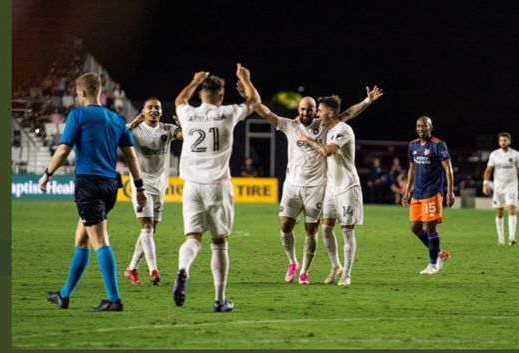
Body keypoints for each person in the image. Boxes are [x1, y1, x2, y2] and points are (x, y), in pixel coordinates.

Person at [250, 85, 382, 285]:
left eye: (312, 110)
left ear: (317, 113)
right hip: (296, 185)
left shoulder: (326, 126)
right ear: (298, 110)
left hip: (321, 186)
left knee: (316, 230)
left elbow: (347, 114)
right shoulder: (291, 125)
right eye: (302, 109)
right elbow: (267, 113)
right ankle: (296, 263)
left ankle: (309, 271)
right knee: (291, 226)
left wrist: (368, 101)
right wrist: (251, 98)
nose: (307, 112)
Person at [39, 72, 147, 312]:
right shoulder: (116, 119)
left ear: (82, 93)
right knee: (81, 239)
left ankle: (114, 299)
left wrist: (47, 174)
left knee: (100, 241)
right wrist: (139, 188)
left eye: (77, 93)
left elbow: (64, 149)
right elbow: (130, 156)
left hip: (89, 185)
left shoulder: (78, 115)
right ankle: (64, 295)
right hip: (111, 187)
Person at [172, 64, 259, 312]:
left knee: (192, 238)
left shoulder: (188, 114)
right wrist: (245, 78)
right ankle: (220, 301)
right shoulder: (228, 113)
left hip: (191, 186)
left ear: (201, 95)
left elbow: (179, 99)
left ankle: (183, 269)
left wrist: (194, 80)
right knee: (219, 243)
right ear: (221, 97)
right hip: (217, 185)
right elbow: (254, 101)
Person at [297, 95, 374, 286]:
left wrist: (307, 139)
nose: (317, 114)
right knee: (325, 229)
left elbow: (328, 151)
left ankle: (346, 274)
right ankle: (335, 266)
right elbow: (349, 112)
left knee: (347, 231)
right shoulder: (329, 126)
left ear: (330, 114)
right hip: (332, 187)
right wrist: (366, 100)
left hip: (348, 187)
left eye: (320, 111)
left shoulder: (344, 130)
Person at [122, 98, 184, 286]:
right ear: (143, 111)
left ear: (161, 112)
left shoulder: (167, 129)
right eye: (150, 107)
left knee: (150, 230)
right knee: (147, 227)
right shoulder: (134, 129)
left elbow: (183, 136)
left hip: (160, 184)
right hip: (141, 184)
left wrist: (184, 126)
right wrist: (132, 123)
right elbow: (117, 135)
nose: (154, 110)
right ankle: (153, 270)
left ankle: (131, 268)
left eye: (157, 107)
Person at [402, 116, 453, 274]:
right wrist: (407, 191)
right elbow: (412, 169)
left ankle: (433, 265)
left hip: (432, 192)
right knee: (415, 228)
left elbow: (448, 169)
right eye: (418, 126)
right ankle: (440, 253)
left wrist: (450, 191)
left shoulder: (438, 145)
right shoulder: (412, 146)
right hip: (417, 192)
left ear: (431, 127)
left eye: (424, 126)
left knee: (430, 227)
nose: (420, 129)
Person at [482, 132, 519, 246]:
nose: (503, 142)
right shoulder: (494, 155)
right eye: (501, 140)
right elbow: (488, 170)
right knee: (499, 212)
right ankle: (501, 238)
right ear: (499, 142)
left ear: (509, 141)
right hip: (498, 188)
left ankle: (512, 237)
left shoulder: (516, 155)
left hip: (511, 187)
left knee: (511, 209)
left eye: (505, 140)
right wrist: (485, 183)